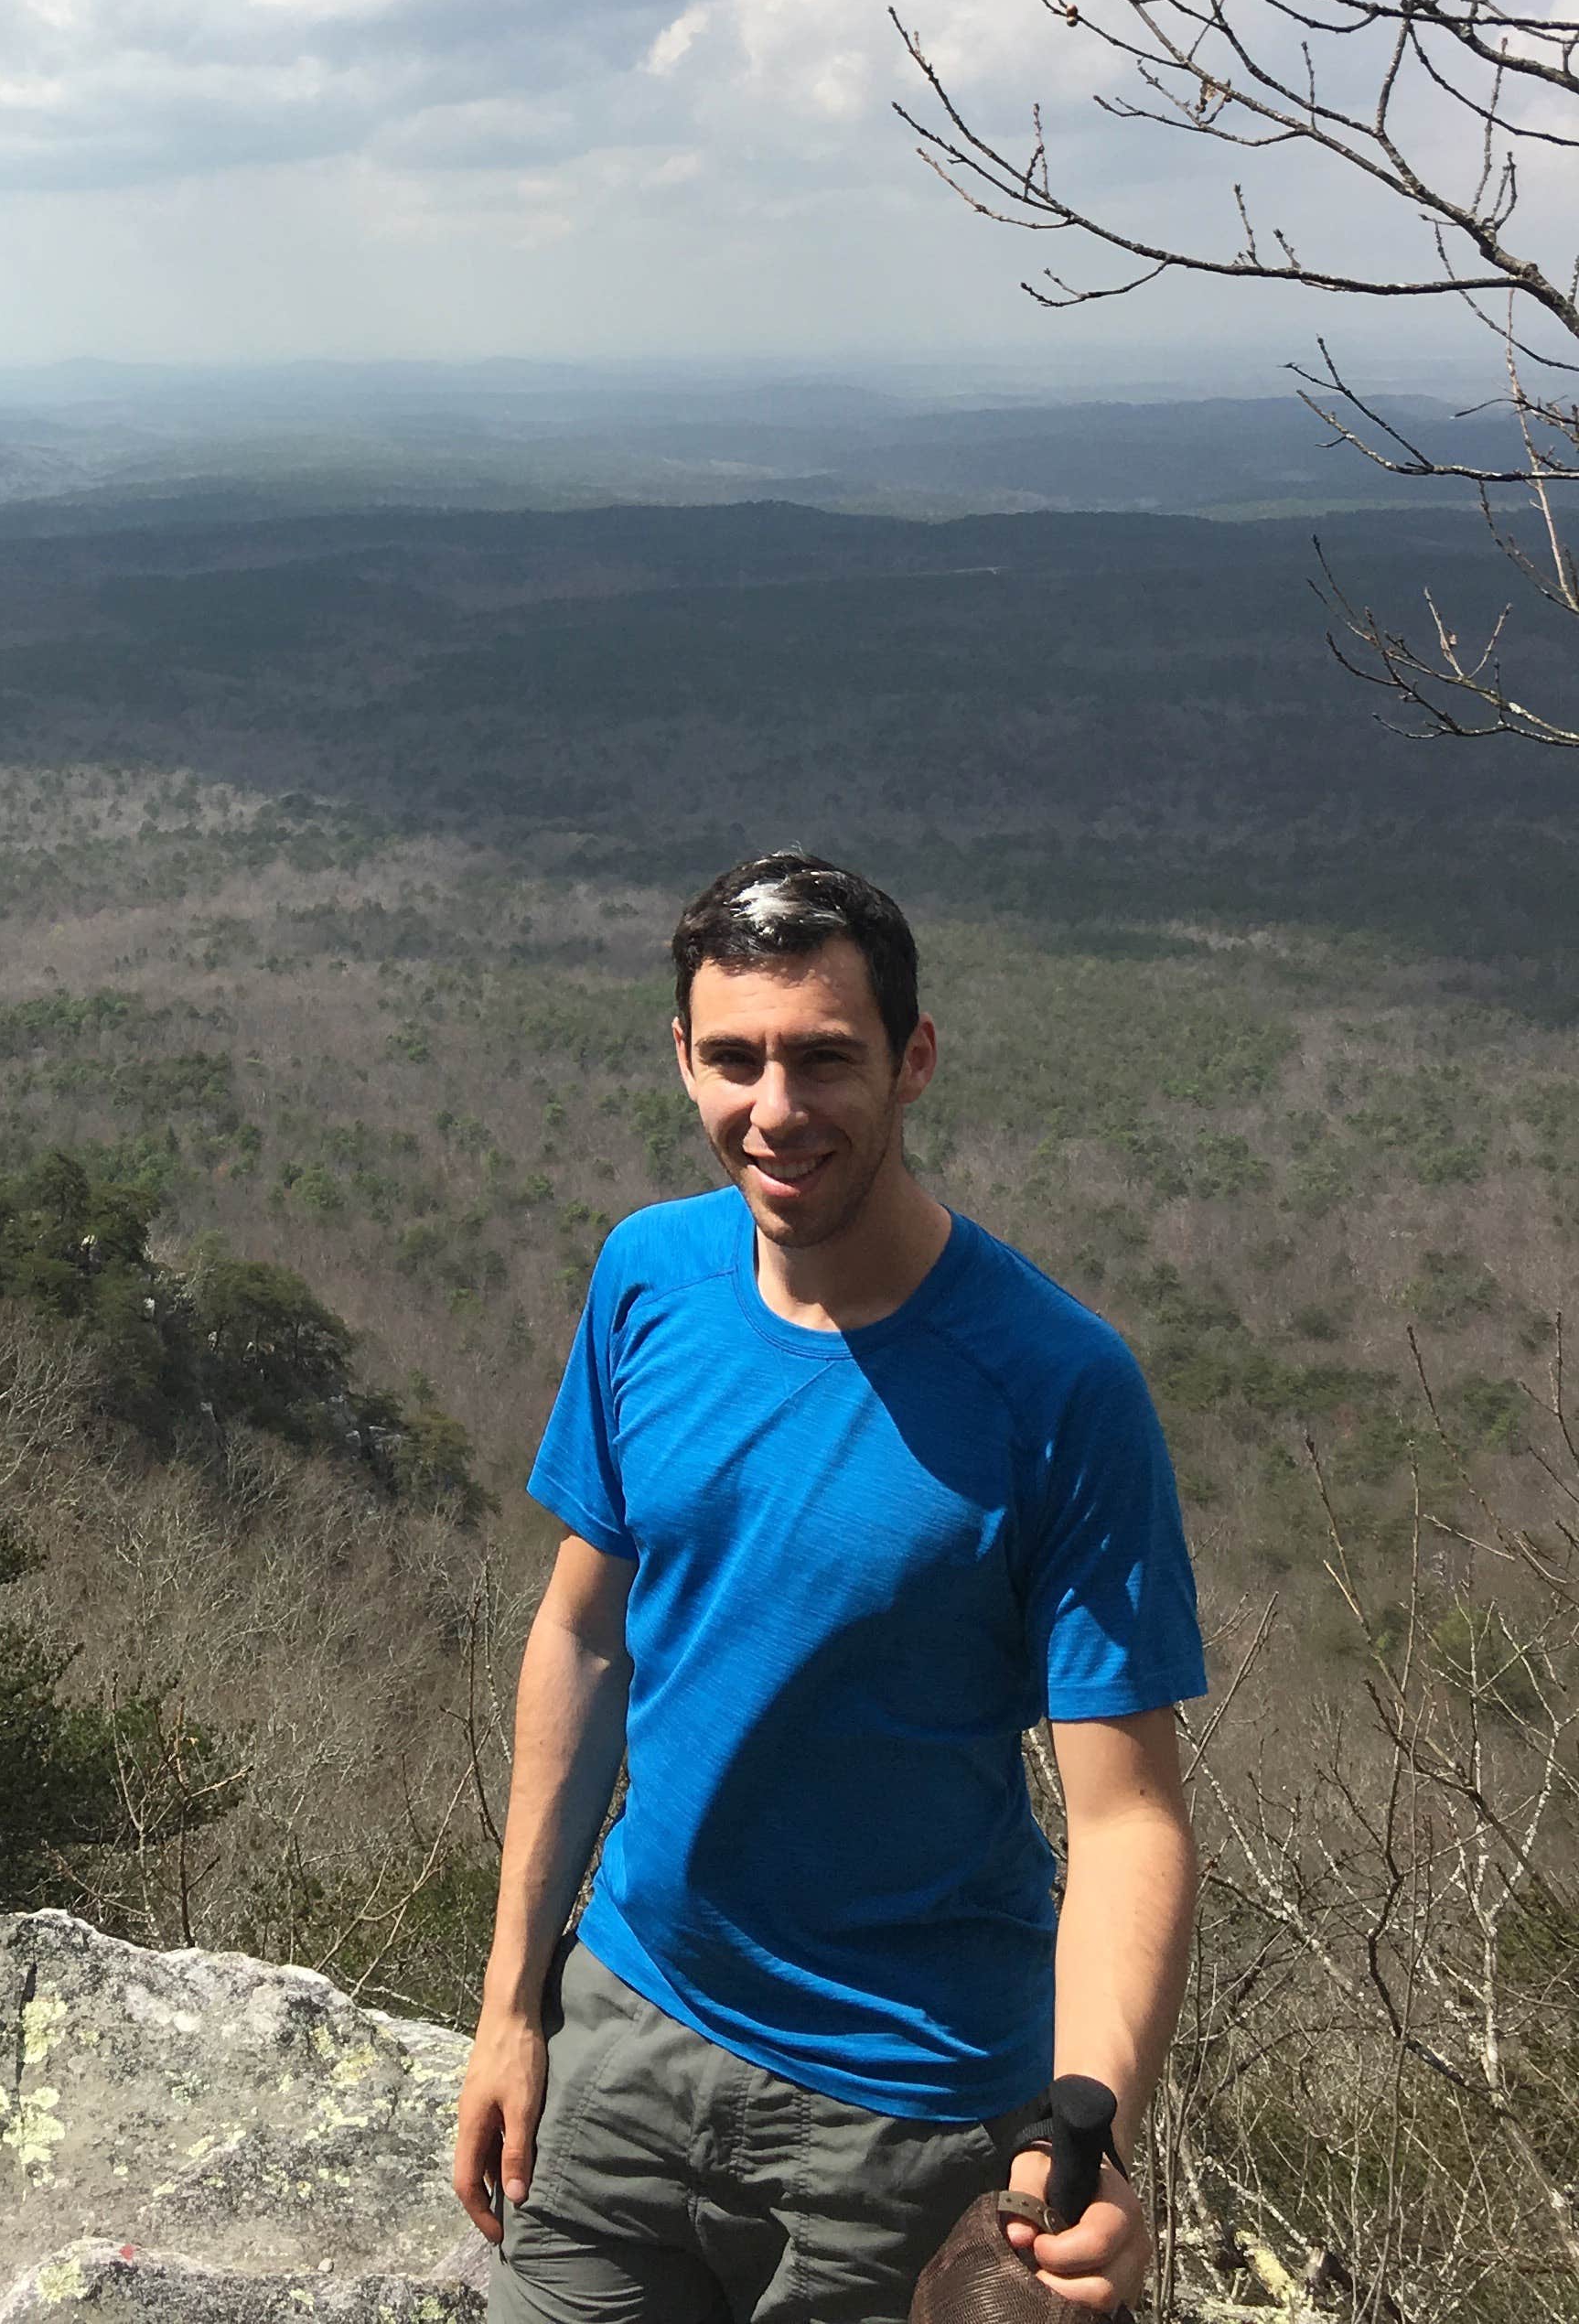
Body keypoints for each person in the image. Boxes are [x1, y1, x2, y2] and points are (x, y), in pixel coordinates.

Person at [453, 852, 1203, 2324]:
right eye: (733, 1059)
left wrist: (1092, 2124)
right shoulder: (647, 1279)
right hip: (625, 2030)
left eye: (824, 1058)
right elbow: (585, 1635)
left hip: (911, 2112)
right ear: (682, 1058)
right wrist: (507, 2008)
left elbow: (1126, 1815)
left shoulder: (1058, 1387)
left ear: (914, 1060)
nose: (776, 1110)